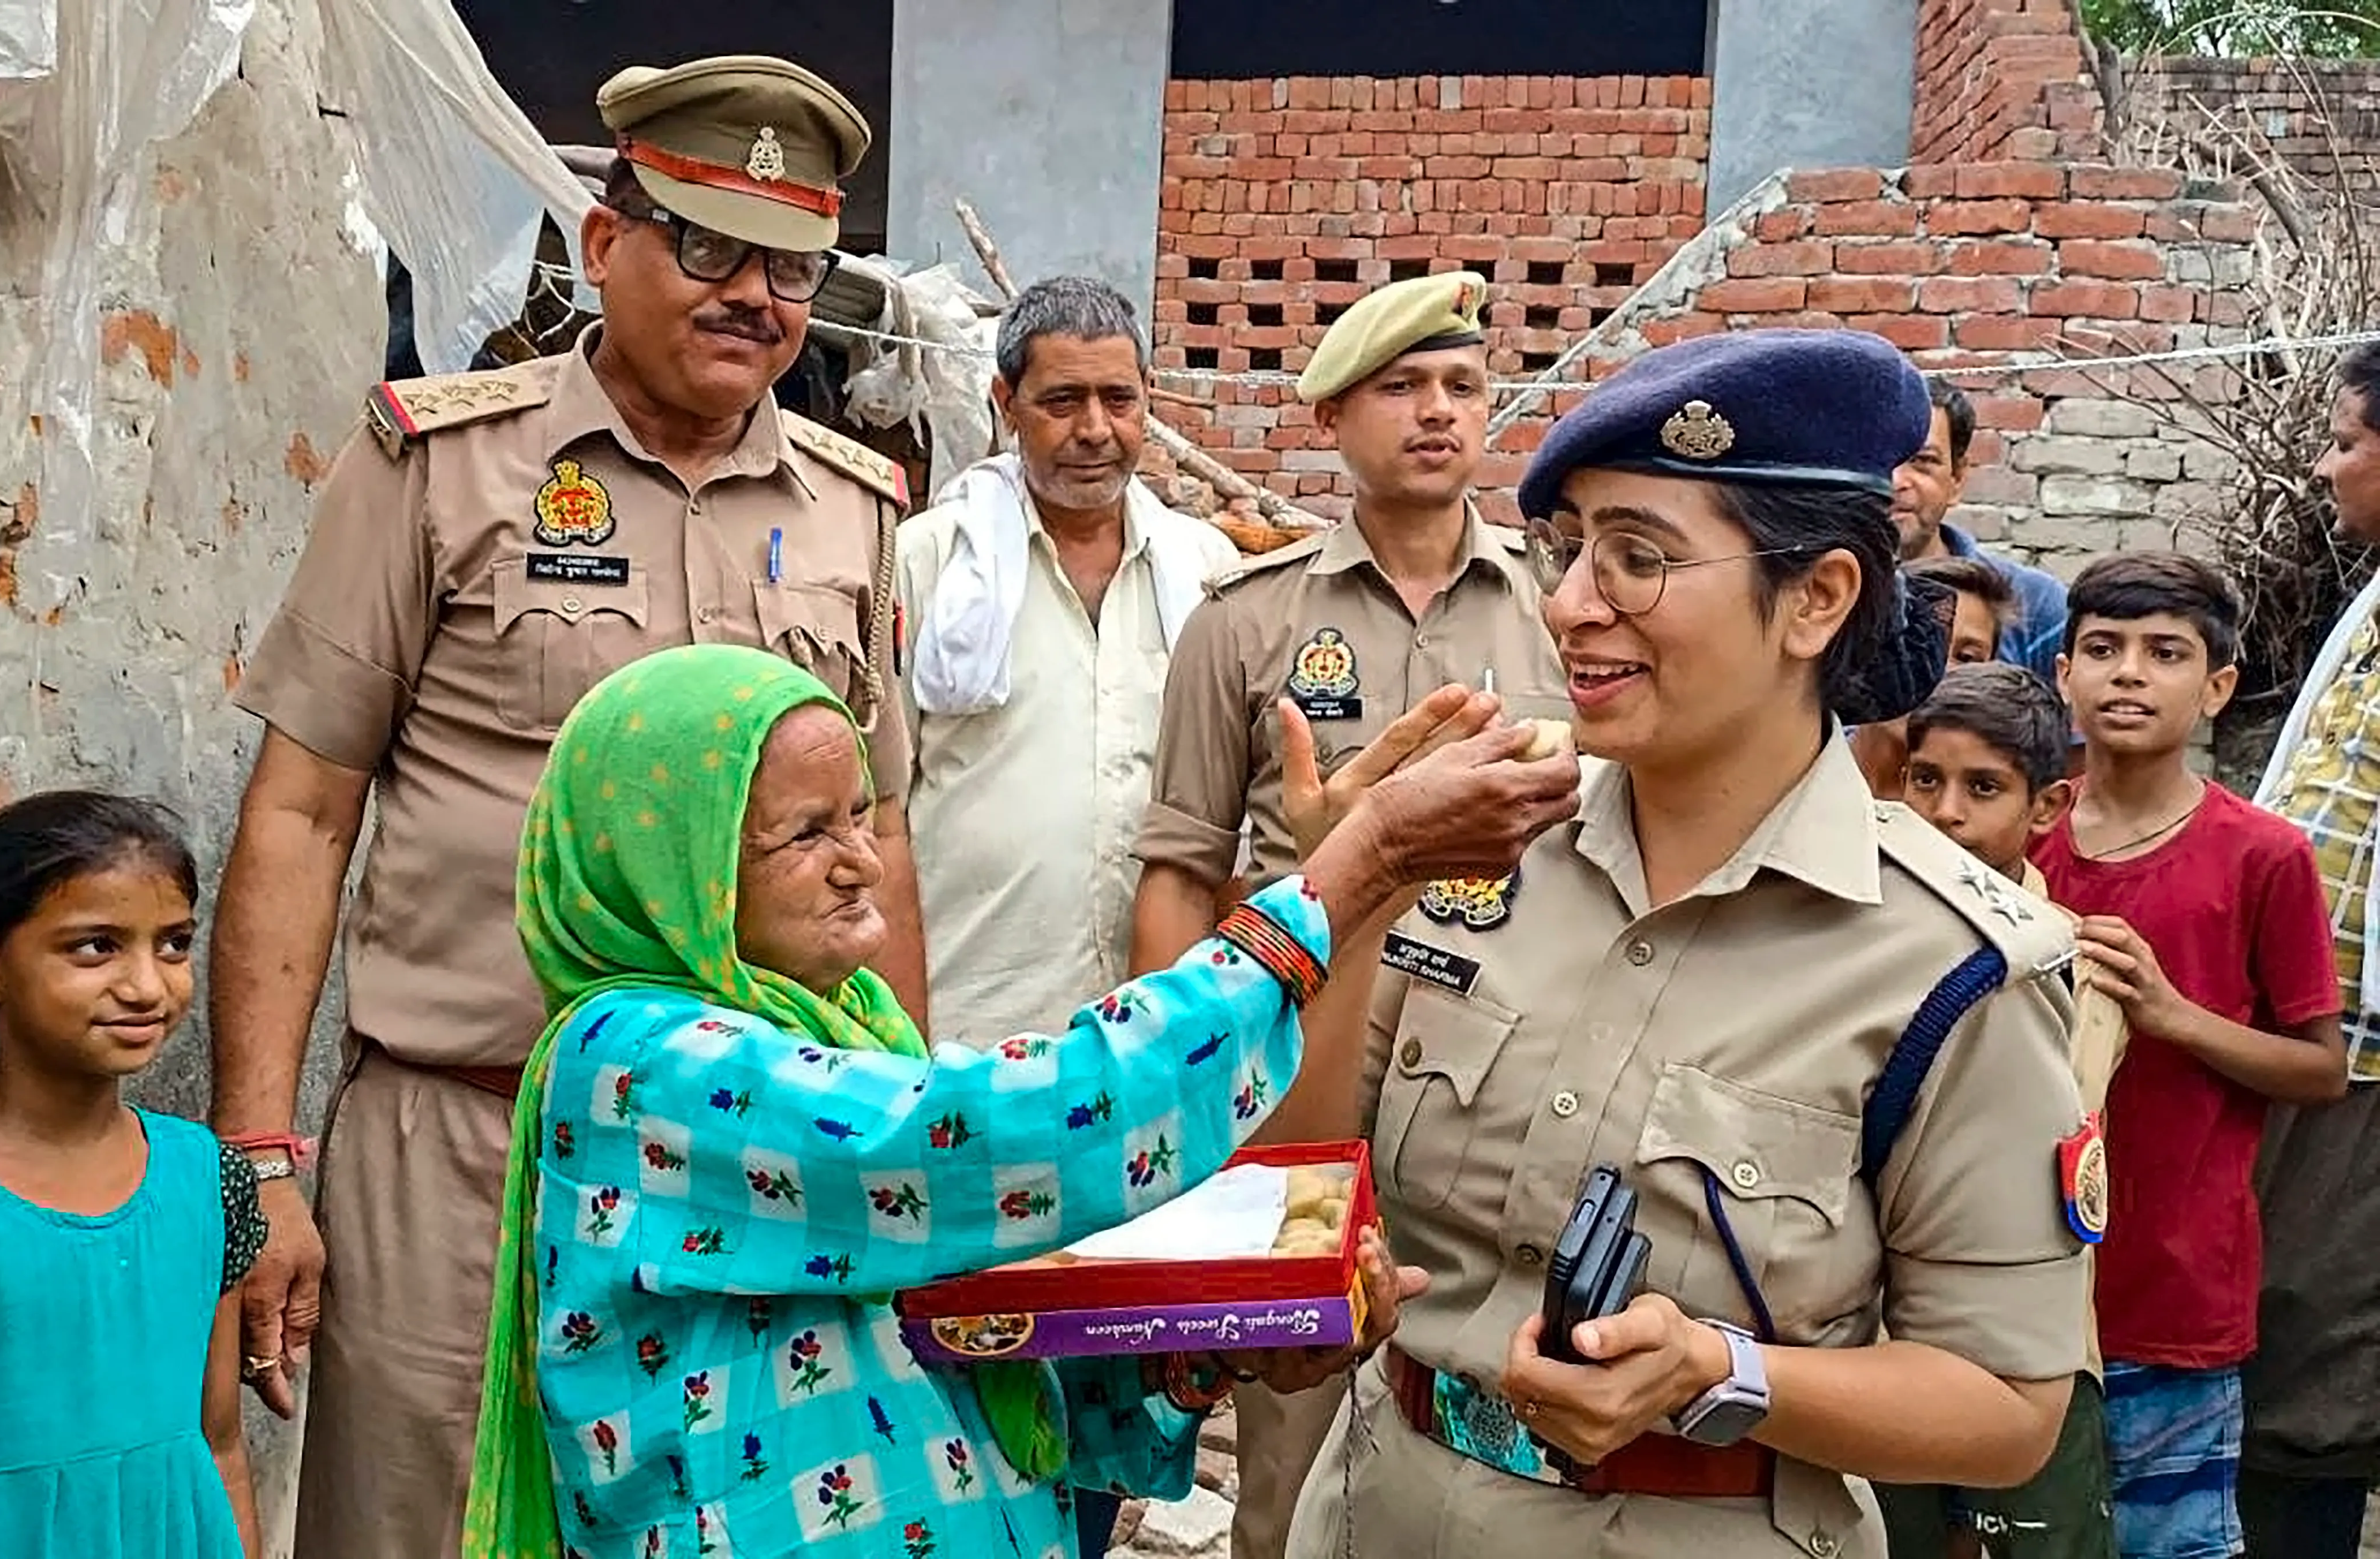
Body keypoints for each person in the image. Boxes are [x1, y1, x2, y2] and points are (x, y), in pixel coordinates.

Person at [211, 55, 928, 1559]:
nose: (753, 294)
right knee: (414, 1522)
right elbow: (302, 813)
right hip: (465, 1147)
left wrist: (904, 1126)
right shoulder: (439, 465)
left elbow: (881, 852)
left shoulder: (855, 510)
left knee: (728, 1516)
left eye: (788, 264)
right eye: (707, 245)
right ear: (606, 244)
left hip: (758, 1155)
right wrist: (260, 1155)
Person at [460, 643, 1581, 1558]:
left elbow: (962, 1350)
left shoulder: (837, 1029)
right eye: (805, 834)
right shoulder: (635, 1062)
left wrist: (1212, 1351)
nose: (860, 861)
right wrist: (1352, 872)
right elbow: (998, 1136)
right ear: (664, 868)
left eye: (862, 816)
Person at [1270, 327, 2099, 1559]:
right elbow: (1298, 1186)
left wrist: (1720, 1372)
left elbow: (2009, 1408)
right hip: (1376, 1509)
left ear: (1816, 600)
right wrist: (1354, 886)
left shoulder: (1951, 963)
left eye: (1639, 560)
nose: (1568, 604)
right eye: (1569, 554)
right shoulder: (1473, 850)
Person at [1124, 269, 1570, 1559]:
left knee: (1503, 1429)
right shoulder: (1247, 622)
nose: (1438, 412)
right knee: (1295, 1441)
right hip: (1304, 1082)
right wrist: (1178, 1104)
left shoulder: (1567, 611)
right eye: (1401, 387)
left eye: (1463, 386)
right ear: (1331, 417)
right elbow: (1180, 865)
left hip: (1511, 1081)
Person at [898, 274, 1239, 1557]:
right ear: (1004, 406)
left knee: (1110, 1385)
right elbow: (883, 807)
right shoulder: (929, 562)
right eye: (1062, 401)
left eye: (1121, 398)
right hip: (964, 1056)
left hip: (1141, 1064)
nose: (1095, 427)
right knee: (955, 1380)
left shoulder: (1204, 572)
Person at [0, 793, 264, 1558]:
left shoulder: (210, 1180)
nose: (147, 986)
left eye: (173, 944)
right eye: (96, 947)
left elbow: (221, 1441)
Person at [2030, 551, 2347, 1559]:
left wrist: (2173, 1015)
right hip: (2015, 1283)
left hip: (2171, 1297)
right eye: (2104, 650)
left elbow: (2321, 1069)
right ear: (2062, 674)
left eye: (2165, 654)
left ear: (2214, 687)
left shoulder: (2263, 854)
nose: (2129, 674)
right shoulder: (2015, 832)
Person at [1878, 662, 2124, 1559]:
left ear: (2050, 807)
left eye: (1983, 788)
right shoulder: (1847, 960)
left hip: (2040, 1353)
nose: (1945, 813)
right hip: (1873, 1350)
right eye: (1924, 780)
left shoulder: (2089, 975)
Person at [2240, 339, 2380, 1559]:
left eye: (2345, 441)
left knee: (2317, 1347)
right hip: (2317, 1026)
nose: (2329, 468)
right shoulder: (2375, 608)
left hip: (2365, 1058)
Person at [1892, 381, 2069, 676]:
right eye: (1878, 461)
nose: (1896, 481)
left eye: (1923, 461)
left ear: (1958, 478)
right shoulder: (1810, 598)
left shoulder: (2035, 605)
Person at [1850, 554, 2014, 799]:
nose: (1937, 670)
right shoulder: (1794, 773)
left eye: (1966, 658)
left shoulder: (1983, 817)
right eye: (1919, 643)